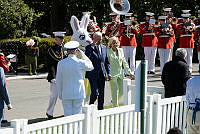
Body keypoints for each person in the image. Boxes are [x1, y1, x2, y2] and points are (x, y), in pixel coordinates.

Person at [56, 41, 93, 116]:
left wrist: (60, 94)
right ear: (76, 51)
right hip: (78, 93)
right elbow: (91, 66)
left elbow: (59, 80)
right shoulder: (80, 62)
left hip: (66, 93)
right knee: (78, 115)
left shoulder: (61, 63)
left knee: (67, 116)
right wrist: (83, 55)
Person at [85, 32, 111, 110]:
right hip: (92, 74)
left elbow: (106, 61)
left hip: (102, 74)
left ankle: (100, 110)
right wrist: (92, 46)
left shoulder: (104, 47)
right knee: (95, 93)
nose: (99, 40)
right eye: (97, 38)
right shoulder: (89, 47)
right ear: (94, 38)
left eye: (100, 38)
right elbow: (87, 57)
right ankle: (90, 106)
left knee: (101, 94)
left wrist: (109, 73)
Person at [107, 36, 134, 107]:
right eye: (113, 43)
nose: (115, 44)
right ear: (110, 44)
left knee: (122, 91)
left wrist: (130, 72)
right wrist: (108, 73)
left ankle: (113, 100)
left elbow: (124, 62)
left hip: (120, 73)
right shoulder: (108, 51)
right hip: (112, 74)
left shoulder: (121, 50)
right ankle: (115, 106)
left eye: (116, 43)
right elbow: (107, 63)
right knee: (115, 91)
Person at [46, 31, 65, 119]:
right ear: (55, 39)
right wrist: (53, 77)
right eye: (59, 39)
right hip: (55, 76)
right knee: (54, 96)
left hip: (64, 75)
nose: (61, 40)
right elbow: (50, 64)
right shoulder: (51, 50)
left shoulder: (65, 49)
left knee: (65, 95)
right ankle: (49, 112)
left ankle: (67, 111)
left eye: (62, 39)